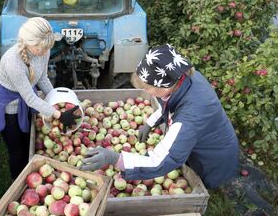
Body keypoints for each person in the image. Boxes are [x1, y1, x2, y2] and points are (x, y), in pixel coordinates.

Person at [80, 44, 239, 189]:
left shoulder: (190, 116)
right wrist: (150, 123)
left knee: (205, 181)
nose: (147, 93)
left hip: (212, 156)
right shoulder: (183, 77)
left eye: (149, 89)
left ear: (164, 86)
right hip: (200, 138)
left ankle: (215, 191)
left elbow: (159, 161)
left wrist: (115, 158)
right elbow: (169, 105)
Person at [0, 18, 80, 179]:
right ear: (29, 43)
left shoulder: (43, 50)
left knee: (28, 143)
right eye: (41, 49)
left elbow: (42, 78)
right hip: (10, 108)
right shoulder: (13, 63)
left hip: (27, 99)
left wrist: (56, 101)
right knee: (17, 151)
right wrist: (58, 114)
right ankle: (18, 182)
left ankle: (30, 176)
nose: (46, 52)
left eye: (47, 48)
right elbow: (31, 98)